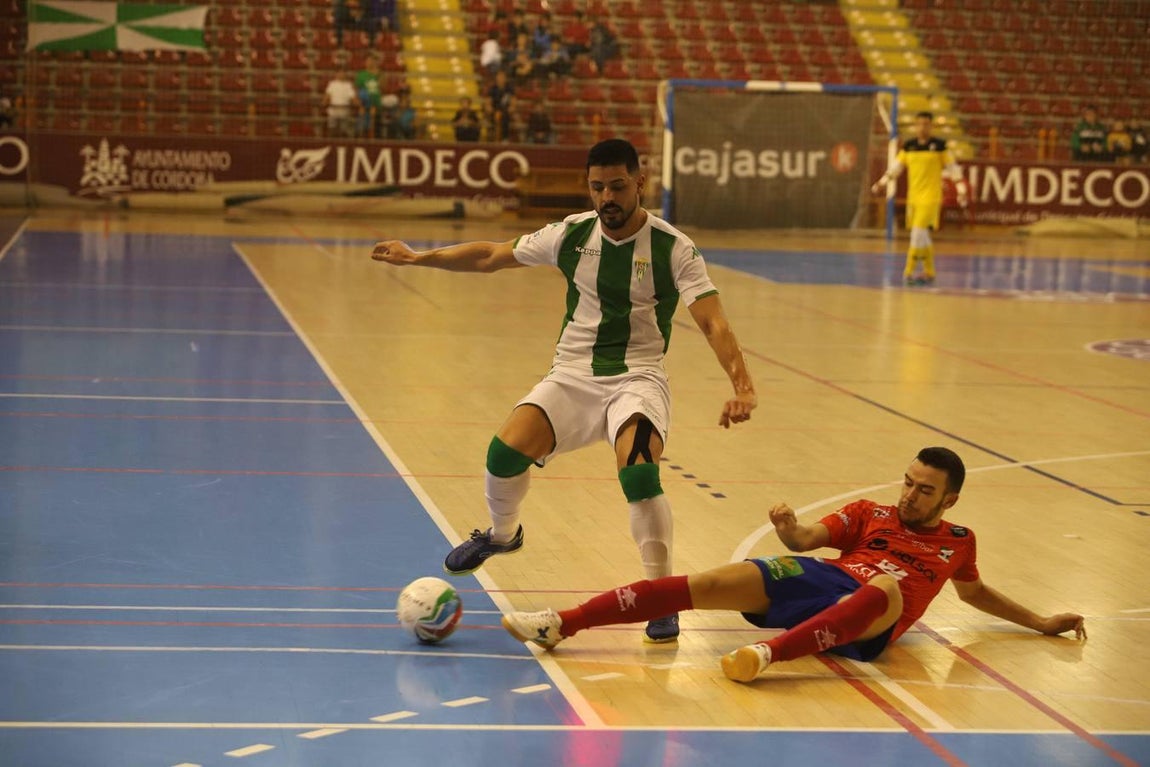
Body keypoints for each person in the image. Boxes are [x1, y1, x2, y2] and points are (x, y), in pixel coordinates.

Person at [370, 138, 757, 643]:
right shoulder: (571, 234)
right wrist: (419, 257)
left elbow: (712, 321)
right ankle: (503, 535)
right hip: (572, 375)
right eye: (598, 188)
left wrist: (742, 386)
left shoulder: (673, 247)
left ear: (639, 182)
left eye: (617, 186)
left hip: (637, 378)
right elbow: (490, 255)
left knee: (639, 471)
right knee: (503, 454)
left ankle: (660, 598)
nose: (607, 198)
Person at [501, 447, 1086, 681]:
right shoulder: (870, 512)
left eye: (924, 490)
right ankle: (563, 623)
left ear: (949, 501)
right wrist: (788, 530)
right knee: (709, 581)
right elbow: (809, 538)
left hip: (874, 617)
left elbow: (974, 593)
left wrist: (1040, 623)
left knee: (885, 585)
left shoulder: (959, 541)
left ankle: (766, 656)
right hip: (826, 581)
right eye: (908, 482)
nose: (910, 495)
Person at [871, 111, 968, 287]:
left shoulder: (940, 147)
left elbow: (953, 169)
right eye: (919, 124)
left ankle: (908, 272)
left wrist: (961, 190)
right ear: (915, 126)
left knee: (916, 234)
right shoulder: (909, 147)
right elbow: (896, 168)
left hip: (930, 198)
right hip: (913, 199)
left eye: (926, 124)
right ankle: (929, 272)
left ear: (931, 126)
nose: (922, 127)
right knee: (922, 236)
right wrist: (882, 183)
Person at [322, 67, 360, 138]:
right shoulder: (332, 84)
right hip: (333, 111)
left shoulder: (348, 85)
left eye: (343, 73)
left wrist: (358, 103)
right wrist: (324, 102)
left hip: (344, 112)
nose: (341, 74)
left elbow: (353, 97)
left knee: (343, 130)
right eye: (340, 73)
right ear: (336, 74)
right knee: (332, 129)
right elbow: (327, 95)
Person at [355, 54, 384, 138]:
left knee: (373, 122)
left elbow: (382, 87)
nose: (370, 63)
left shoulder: (379, 74)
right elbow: (357, 88)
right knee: (363, 120)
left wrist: (378, 75)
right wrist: (358, 99)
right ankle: (361, 138)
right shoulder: (361, 74)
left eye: (371, 61)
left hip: (375, 101)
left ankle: (372, 139)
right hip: (364, 102)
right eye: (368, 61)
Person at [487, 70, 515, 142]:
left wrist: (512, 107)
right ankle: (495, 138)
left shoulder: (509, 88)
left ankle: (505, 138)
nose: (501, 78)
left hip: (506, 110)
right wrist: (489, 107)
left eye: (503, 77)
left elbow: (513, 100)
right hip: (495, 109)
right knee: (496, 117)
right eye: (499, 76)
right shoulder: (493, 88)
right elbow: (489, 101)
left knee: (505, 118)